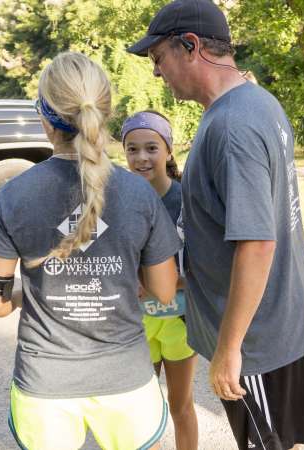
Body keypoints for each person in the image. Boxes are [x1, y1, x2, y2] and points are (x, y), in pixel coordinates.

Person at [127, 1, 304, 450]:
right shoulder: (256, 102)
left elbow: (258, 244)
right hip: (269, 322)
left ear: (190, 46)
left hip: (255, 340)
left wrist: (231, 349)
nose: (157, 73)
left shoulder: (234, 125)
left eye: (159, 59)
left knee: (267, 444)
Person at [0, 51, 181, 450]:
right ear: (105, 113)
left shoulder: (13, 194)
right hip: (126, 381)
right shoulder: (140, 194)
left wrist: (27, 294)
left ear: (43, 115)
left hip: (44, 384)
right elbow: (165, 290)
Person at [121, 110, 198, 450]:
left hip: (178, 321)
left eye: (151, 148)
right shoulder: (117, 199)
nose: (141, 158)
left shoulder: (188, 200)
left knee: (180, 406)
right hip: (136, 324)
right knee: (141, 411)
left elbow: (206, 266)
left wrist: (164, 282)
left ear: (168, 150)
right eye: (132, 149)